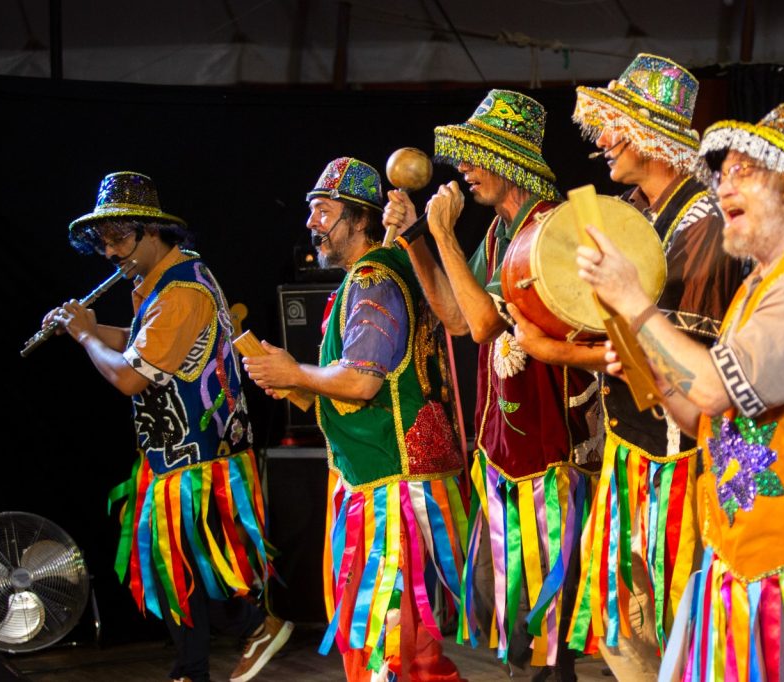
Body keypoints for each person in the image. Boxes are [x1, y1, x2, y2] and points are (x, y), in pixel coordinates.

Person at [577, 104, 784, 680]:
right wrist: (652, 375)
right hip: (749, 575)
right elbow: (703, 415)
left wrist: (634, 302)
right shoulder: (760, 286)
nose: (723, 186)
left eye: (744, 172)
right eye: (722, 174)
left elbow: (715, 389)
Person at [508, 54, 744, 678]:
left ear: (650, 138)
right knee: (624, 624)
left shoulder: (704, 227)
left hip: (680, 464)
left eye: (615, 126)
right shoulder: (635, 214)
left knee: (677, 626)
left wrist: (559, 353)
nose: (602, 140)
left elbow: (678, 362)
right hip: (632, 452)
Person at [46, 171, 291, 682]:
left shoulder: (180, 292)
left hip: (200, 464)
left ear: (152, 231)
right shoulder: (164, 278)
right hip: (173, 455)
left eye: (118, 239)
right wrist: (83, 328)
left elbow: (130, 378)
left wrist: (86, 337)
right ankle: (191, 669)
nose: (110, 252)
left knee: (196, 570)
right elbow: (140, 342)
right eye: (103, 242)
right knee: (174, 571)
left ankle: (255, 626)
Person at [384, 90, 593, 679]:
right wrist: (418, 239)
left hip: (552, 449)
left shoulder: (549, 228)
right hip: (507, 450)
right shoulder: (503, 230)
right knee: (517, 615)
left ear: (508, 159)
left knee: (549, 617)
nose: (463, 169)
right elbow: (456, 317)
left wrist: (444, 234)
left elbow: (482, 325)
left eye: (475, 156)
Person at [242, 158, 468, 681]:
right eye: (312, 212)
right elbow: (362, 394)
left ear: (360, 219)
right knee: (400, 646)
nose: (312, 224)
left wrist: (295, 370)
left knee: (390, 644)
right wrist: (295, 384)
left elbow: (363, 381)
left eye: (324, 211)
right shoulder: (371, 276)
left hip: (393, 490)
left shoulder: (372, 280)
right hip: (381, 476)